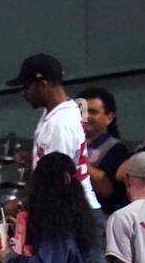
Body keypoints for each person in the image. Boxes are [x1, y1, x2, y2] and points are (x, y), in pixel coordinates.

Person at [8, 54, 101, 219]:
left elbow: (57, 182)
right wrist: (35, 159)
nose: (23, 93)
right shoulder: (58, 112)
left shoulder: (60, 124)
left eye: (26, 87)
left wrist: (22, 204)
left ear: (43, 85)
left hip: (75, 216)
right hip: (73, 210)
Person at [79, 87, 129, 214]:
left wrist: (76, 160)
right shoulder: (71, 143)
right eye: (81, 112)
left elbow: (107, 190)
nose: (86, 116)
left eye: (93, 112)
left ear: (109, 117)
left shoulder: (116, 149)